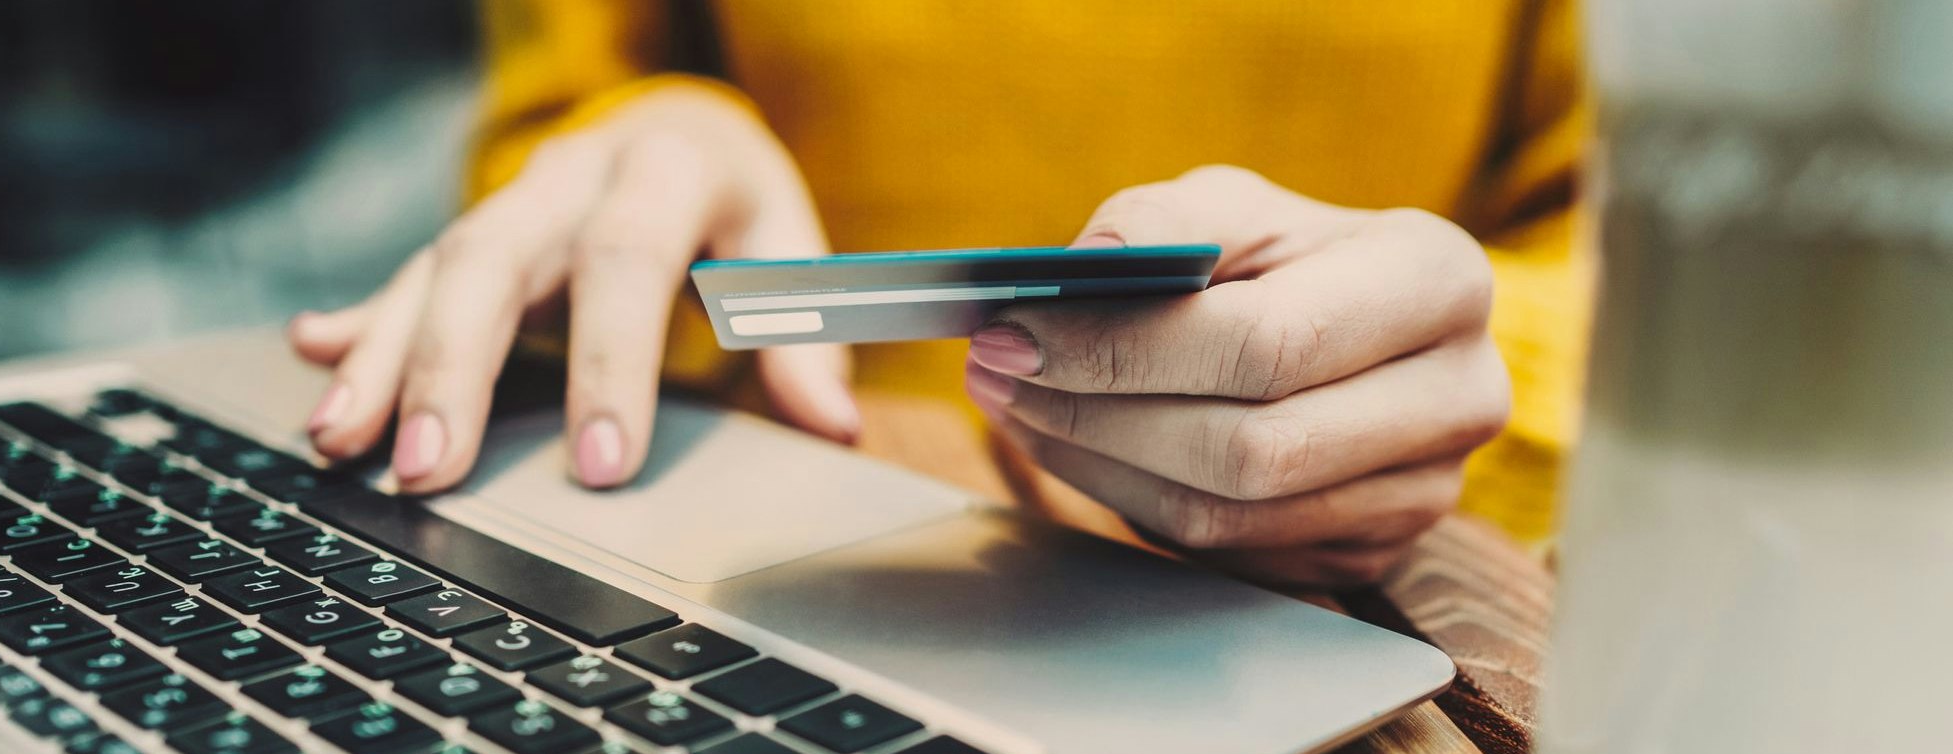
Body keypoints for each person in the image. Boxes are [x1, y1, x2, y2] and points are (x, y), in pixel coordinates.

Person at [288, 0, 1588, 586]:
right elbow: (552, 127)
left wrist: (1447, 383)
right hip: (743, 545)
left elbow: (1646, 269)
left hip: (1363, 601)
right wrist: (650, 141)